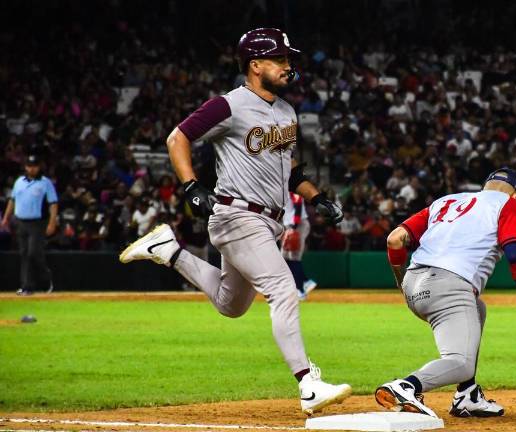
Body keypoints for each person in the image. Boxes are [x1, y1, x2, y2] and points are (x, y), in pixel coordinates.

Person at [118, 28, 350, 416]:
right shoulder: (229, 105)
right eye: (280, 60)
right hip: (238, 214)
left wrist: (317, 197)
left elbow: (291, 171)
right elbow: (177, 138)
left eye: (289, 60)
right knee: (283, 289)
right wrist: (191, 185)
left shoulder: (287, 111)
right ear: (255, 65)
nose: (288, 66)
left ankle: (168, 251)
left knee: (231, 304)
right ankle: (308, 384)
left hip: (267, 221)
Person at [376, 167, 516, 418]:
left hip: (414, 284)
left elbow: (394, 240)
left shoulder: (446, 201)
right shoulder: (508, 204)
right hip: (449, 286)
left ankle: (467, 395)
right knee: (460, 361)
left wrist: (401, 282)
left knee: (478, 308)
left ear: (485, 186)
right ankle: (405, 387)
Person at [1, 155, 58, 295]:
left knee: (33, 253)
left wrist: (52, 222)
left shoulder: (45, 183)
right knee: (25, 254)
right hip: (20, 221)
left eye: (34, 166)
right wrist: (5, 218)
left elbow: (53, 203)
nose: (31, 169)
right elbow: (12, 200)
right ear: (25, 167)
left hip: (38, 222)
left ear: (39, 167)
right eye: (29, 166)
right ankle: (27, 286)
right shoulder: (19, 181)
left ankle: (46, 280)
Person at [281, 192, 317, 300]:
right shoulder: (280, 187)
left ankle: (300, 290)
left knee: (294, 257)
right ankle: (305, 281)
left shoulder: (292, 186)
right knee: (283, 257)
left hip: (298, 225)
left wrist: (294, 227)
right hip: (288, 225)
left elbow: (298, 204)